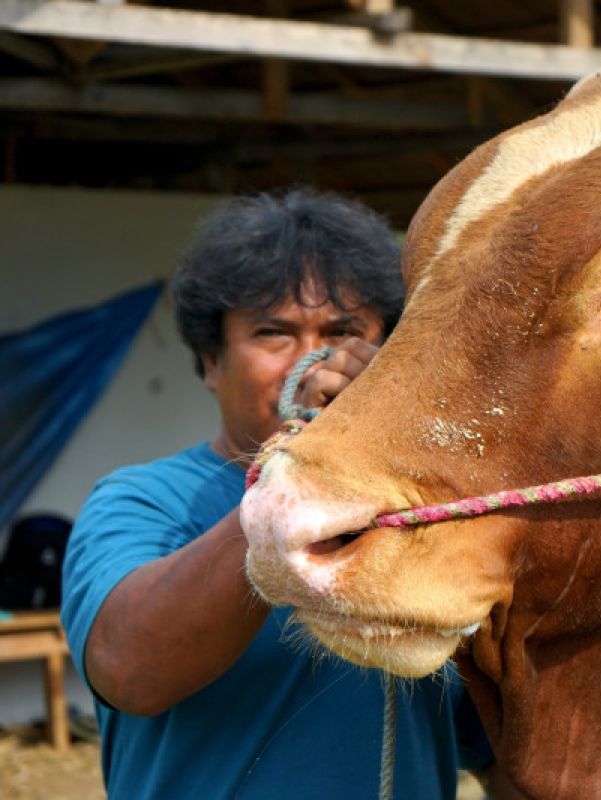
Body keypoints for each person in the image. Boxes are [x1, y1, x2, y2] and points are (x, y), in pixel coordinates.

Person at [60, 189, 494, 799]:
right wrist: (297, 483)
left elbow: (502, 742)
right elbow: (131, 671)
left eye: (343, 331)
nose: (315, 363)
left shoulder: (430, 521)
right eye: (274, 333)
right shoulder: (142, 500)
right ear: (211, 361)